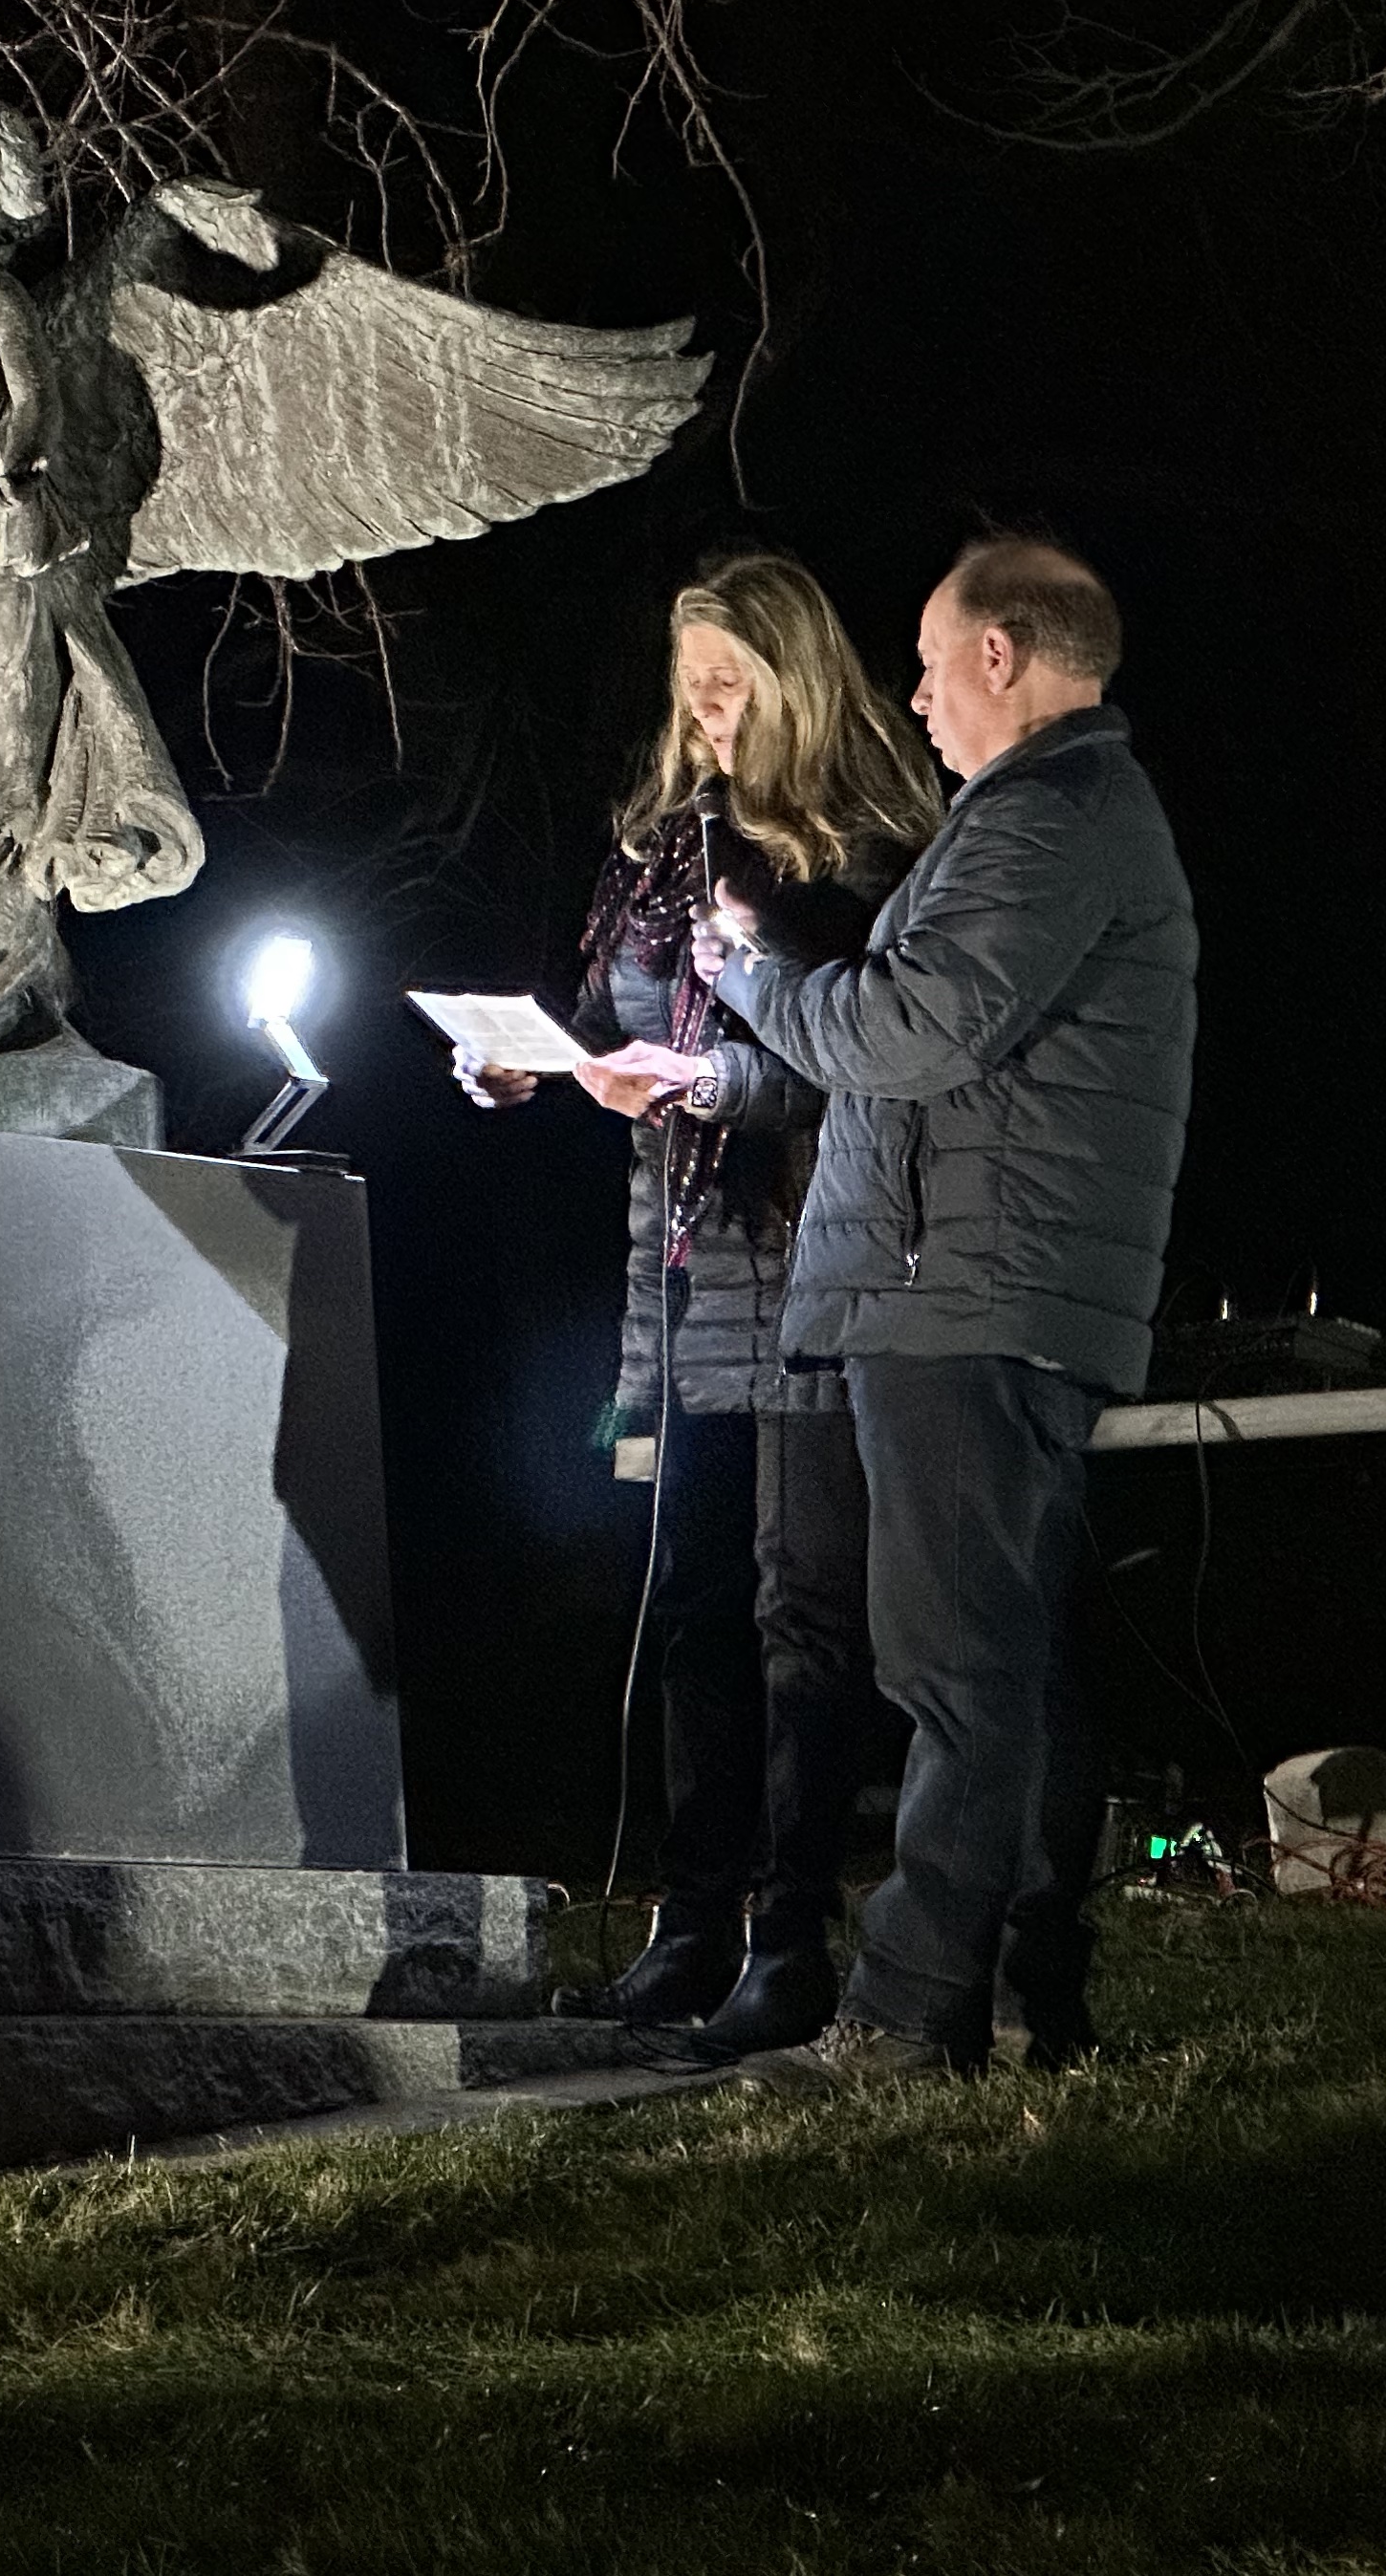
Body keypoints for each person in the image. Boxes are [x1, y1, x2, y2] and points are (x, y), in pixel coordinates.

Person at [692, 535, 1198, 2081]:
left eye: (927, 661)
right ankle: (1024, 1994)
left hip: (967, 1289)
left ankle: (908, 2011)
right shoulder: (1044, 814)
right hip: (971, 1282)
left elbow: (916, 1029)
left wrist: (755, 979)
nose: (912, 696)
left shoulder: (1050, 815)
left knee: (953, 1669)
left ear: (999, 653)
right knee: (996, 1660)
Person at [459, 556, 938, 2051]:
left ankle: (791, 1941)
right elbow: (618, 1025)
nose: (708, 712)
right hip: (680, 1276)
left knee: (806, 1612)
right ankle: (691, 1924)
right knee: (691, 1608)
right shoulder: (664, 854)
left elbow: (862, 1059)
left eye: (732, 682)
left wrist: (710, 1079)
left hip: (814, 1256)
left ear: (799, 679)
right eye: (692, 688)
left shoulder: (864, 849)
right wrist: (533, 1061)